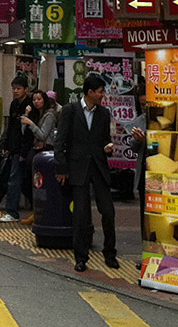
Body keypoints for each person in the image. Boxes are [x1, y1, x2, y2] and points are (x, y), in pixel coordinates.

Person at [54, 74, 119, 272]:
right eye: (100, 92)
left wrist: (108, 148)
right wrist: (62, 168)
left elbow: (104, 140)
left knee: (108, 212)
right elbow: (60, 142)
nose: (103, 95)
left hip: (99, 168)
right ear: (90, 92)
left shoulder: (103, 113)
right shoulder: (70, 111)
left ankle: (110, 253)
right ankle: (81, 257)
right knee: (80, 215)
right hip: (77, 169)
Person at [0, 76, 34, 222]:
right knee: (15, 179)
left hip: (23, 150)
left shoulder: (30, 106)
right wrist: (6, 146)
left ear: (26, 89)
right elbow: (12, 127)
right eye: (13, 88)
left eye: (18, 88)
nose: (15, 91)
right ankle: (37, 208)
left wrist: (22, 152)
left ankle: (12, 212)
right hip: (13, 149)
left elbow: (28, 132)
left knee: (14, 180)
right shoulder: (14, 104)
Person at [20, 90, 58, 223]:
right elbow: (24, 132)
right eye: (34, 99)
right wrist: (26, 117)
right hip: (34, 149)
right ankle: (34, 210)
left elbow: (42, 135)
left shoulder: (50, 115)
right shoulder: (35, 114)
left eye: (39, 99)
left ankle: (41, 211)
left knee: (40, 181)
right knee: (26, 179)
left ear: (45, 100)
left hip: (45, 150)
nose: (36, 102)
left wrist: (31, 124)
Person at [130, 84, 147, 242]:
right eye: (142, 105)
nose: (145, 108)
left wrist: (147, 139)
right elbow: (133, 146)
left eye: (147, 104)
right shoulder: (139, 120)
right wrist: (137, 140)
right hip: (144, 173)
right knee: (144, 213)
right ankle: (146, 251)